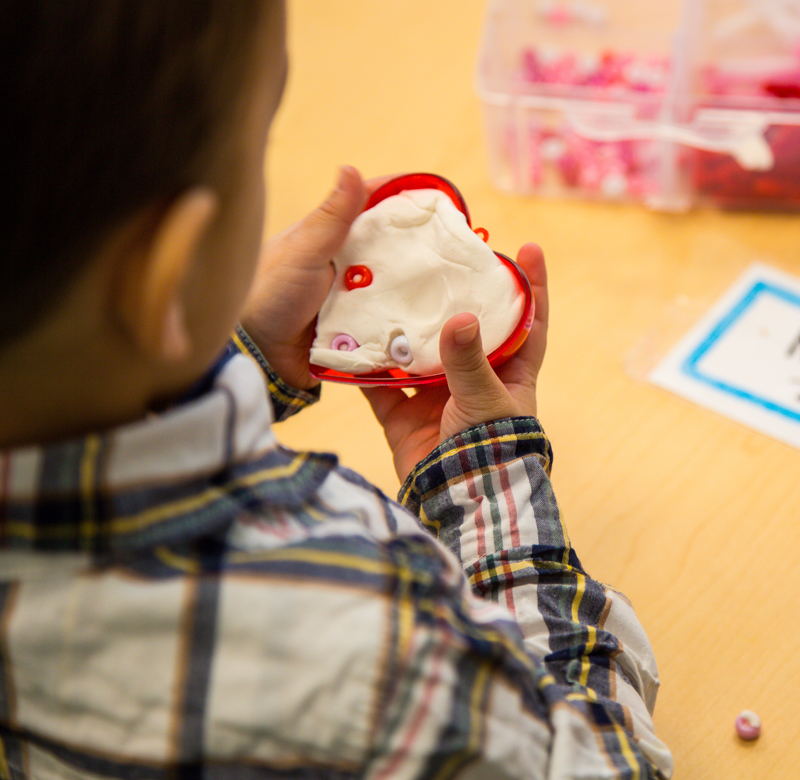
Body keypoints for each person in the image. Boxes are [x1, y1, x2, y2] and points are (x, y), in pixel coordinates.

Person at [0, 0, 672, 777]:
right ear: (169, 267)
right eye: (262, 140)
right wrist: (489, 487)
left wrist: (227, 352)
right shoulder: (361, 639)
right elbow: (597, 766)